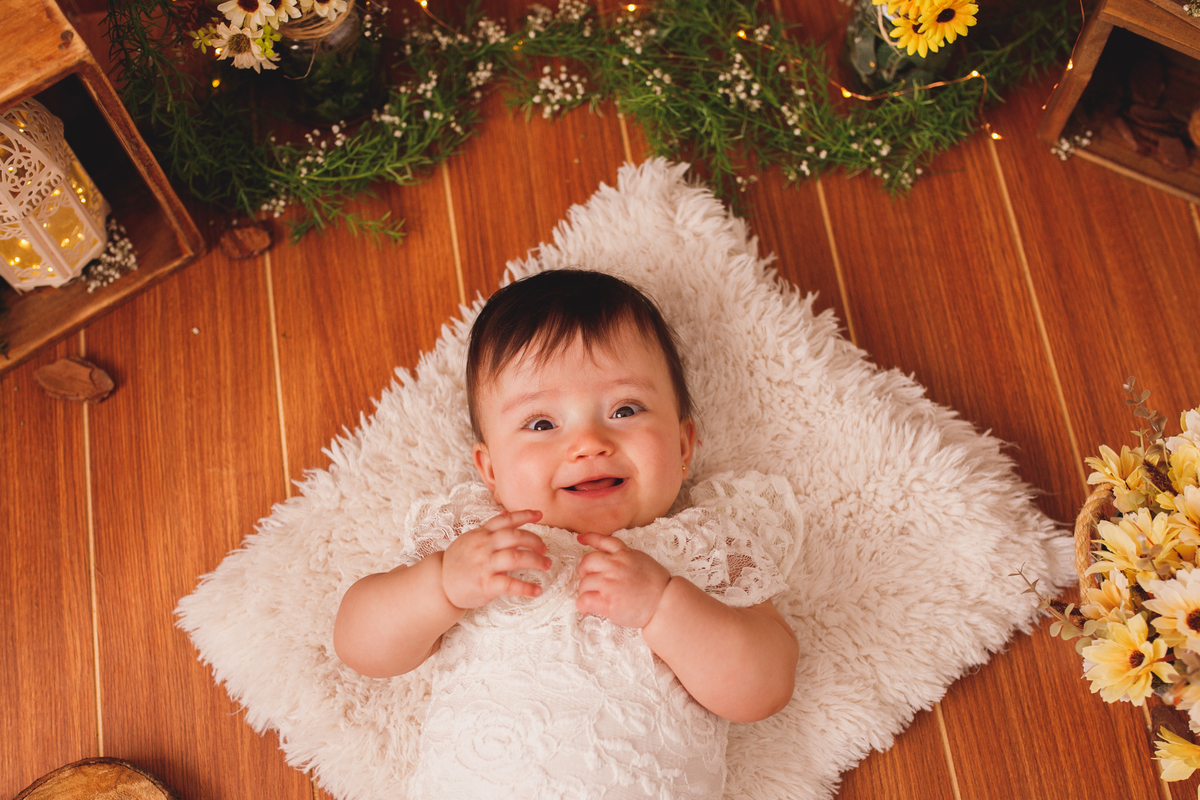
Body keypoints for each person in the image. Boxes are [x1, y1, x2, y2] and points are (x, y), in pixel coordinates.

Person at [334, 269, 800, 799]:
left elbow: (764, 688)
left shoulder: (699, 550)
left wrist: (663, 606)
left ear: (684, 444)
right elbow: (359, 645)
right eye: (541, 424)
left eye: (625, 409)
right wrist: (440, 585)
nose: (589, 443)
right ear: (490, 470)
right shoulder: (476, 544)